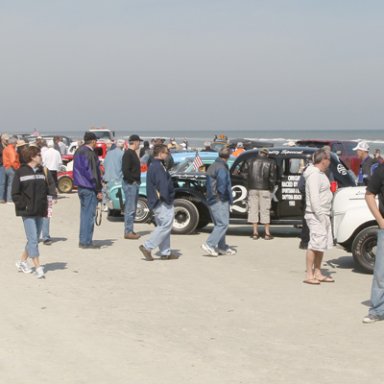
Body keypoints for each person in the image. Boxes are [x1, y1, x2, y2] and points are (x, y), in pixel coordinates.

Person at [12, 146, 57, 278]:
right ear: (32, 157)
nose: (41, 157)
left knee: (35, 238)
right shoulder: (20, 172)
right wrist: (24, 205)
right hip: (27, 212)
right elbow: (15, 193)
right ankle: (38, 268)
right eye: (39, 155)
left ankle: (21, 262)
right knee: (32, 239)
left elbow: (49, 187)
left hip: (41, 209)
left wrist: (51, 199)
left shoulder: (42, 171)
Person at [139, 144, 178, 261]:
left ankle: (165, 252)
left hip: (157, 200)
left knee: (163, 226)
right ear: (160, 154)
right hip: (161, 201)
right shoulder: (158, 167)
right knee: (166, 225)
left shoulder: (155, 165)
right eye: (166, 153)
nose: (167, 155)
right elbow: (163, 185)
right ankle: (147, 246)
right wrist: (168, 198)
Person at [303, 148, 334, 285]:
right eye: (329, 159)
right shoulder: (314, 175)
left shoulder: (321, 174)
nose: (330, 162)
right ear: (323, 160)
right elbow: (314, 199)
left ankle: (318, 272)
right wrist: (321, 216)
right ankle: (310, 274)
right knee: (314, 244)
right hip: (316, 215)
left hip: (323, 213)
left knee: (321, 244)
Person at [201, 147, 236, 256]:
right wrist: (225, 197)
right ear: (228, 156)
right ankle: (210, 244)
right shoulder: (221, 167)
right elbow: (222, 184)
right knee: (223, 224)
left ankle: (222, 246)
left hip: (212, 198)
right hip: (219, 199)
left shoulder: (213, 165)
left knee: (219, 224)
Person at [73, 132, 103, 249]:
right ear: (93, 141)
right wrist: (98, 190)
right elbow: (93, 174)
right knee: (89, 216)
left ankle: (83, 240)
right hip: (89, 186)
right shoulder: (89, 153)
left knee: (84, 215)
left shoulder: (79, 151)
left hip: (81, 186)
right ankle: (86, 241)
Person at [362, 164, 384, 322]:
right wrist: (381, 221)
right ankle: (377, 310)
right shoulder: (382, 170)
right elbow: (369, 195)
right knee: (381, 273)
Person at [245, 148, 277, 240]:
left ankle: (255, 233)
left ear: (259, 153)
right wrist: (271, 188)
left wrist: (249, 185)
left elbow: (244, 174)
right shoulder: (270, 162)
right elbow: (272, 178)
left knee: (253, 210)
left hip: (252, 188)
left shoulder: (250, 161)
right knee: (265, 210)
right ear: (266, 154)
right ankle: (267, 233)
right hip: (265, 188)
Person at [121, 134, 143, 240]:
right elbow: (125, 170)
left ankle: (130, 229)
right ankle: (128, 231)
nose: (140, 144)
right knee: (130, 209)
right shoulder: (128, 154)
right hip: (130, 184)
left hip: (134, 183)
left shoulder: (133, 153)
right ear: (135, 142)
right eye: (139, 142)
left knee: (132, 208)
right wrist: (132, 181)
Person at [3, 136, 20, 203]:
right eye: (16, 143)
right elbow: (13, 161)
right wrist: (17, 168)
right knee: (11, 184)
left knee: (7, 184)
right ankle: (9, 200)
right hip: (11, 168)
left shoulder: (6, 148)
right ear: (13, 143)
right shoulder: (11, 149)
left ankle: (6, 198)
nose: (16, 144)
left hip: (6, 167)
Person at [0, 133, 9, 203]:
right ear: (2, 139)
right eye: (6, 140)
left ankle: (6, 197)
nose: (7, 141)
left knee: (7, 182)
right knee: (2, 182)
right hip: (2, 165)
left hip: (7, 165)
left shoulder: (7, 146)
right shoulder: (1, 146)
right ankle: (1, 198)